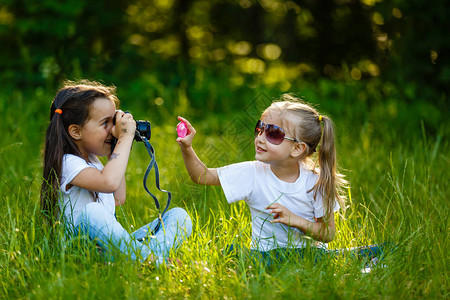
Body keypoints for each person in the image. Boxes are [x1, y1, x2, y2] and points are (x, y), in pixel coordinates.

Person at [177, 94, 350, 260]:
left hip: (310, 256)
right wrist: (187, 148)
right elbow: (202, 176)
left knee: (374, 252)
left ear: (297, 148)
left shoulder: (316, 182)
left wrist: (295, 220)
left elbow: (328, 233)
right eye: (260, 128)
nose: (260, 138)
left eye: (273, 133)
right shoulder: (252, 173)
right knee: (230, 253)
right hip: (263, 256)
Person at [40, 80, 192, 266]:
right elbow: (109, 183)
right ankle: (153, 260)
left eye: (114, 122)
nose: (113, 130)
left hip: (111, 248)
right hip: (83, 252)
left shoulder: (93, 161)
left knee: (178, 216)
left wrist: (115, 150)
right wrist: (126, 137)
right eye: (106, 123)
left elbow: (118, 198)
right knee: (92, 212)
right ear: (76, 131)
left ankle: (148, 258)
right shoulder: (68, 163)